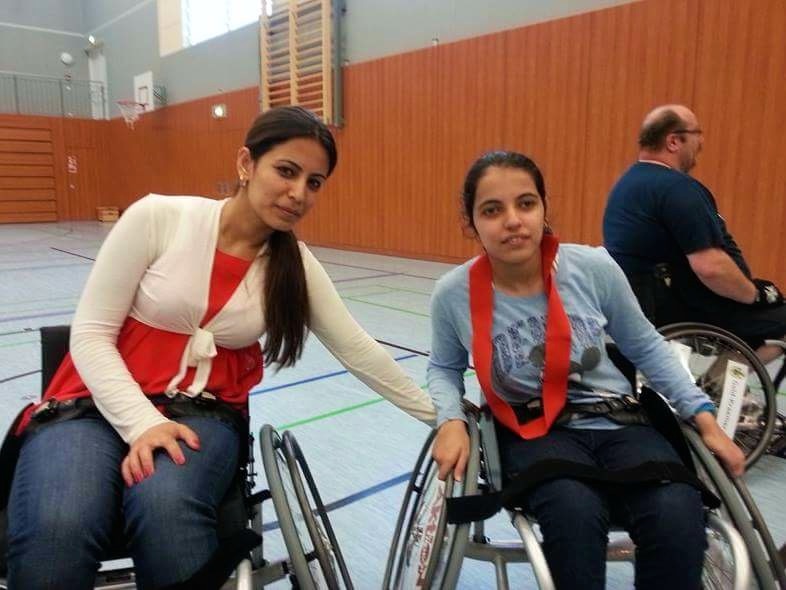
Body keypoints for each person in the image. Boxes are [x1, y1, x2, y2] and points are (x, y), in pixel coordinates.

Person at [5, 106, 435, 589]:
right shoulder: (157, 217)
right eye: (286, 171)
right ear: (246, 164)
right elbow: (89, 334)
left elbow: (359, 351)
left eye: (314, 182)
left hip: (200, 415)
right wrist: (143, 423)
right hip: (88, 408)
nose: (298, 193)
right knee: (60, 523)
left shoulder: (295, 267)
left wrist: (443, 417)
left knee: (165, 505)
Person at [428, 150, 744, 590]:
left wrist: (704, 418)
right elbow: (443, 368)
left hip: (620, 421)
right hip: (533, 431)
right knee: (572, 512)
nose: (513, 220)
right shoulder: (452, 294)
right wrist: (451, 421)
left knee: (676, 511)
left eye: (525, 203)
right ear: (472, 222)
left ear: (543, 207)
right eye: (492, 210)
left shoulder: (592, 267)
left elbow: (647, 346)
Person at [603, 104, 786, 363]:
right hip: (673, 308)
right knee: (780, 321)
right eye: (696, 133)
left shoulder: (627, 184)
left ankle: (719, 389)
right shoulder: (677, 189)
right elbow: (711, 267)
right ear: (674, 141)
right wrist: (755, 295)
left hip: (637, 303)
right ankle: (718, 389)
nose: (701, 142)